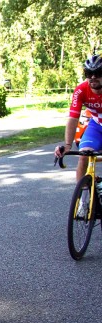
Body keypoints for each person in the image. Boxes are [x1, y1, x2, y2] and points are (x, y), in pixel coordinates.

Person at [54, 54, 102, 217]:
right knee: (84, 154)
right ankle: (83, 201)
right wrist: (67, 145)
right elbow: (73, 118)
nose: (93, 77)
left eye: (98, 73)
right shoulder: (81, 89)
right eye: (89, 74)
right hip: (96, 125)